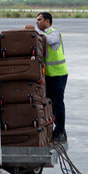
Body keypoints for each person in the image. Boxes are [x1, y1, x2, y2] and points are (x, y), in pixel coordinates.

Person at [26, 12, 69, 143]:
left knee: (58, 103)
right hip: (48, 76)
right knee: (50, 103)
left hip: (58, 74)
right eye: (36, 20)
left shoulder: (54, 33)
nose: (37, 22)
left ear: (47, 21)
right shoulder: (41, 34)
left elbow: (48, 40)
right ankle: (55, 129)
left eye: (39, 20)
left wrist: (34, 30)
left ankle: (61, 131)